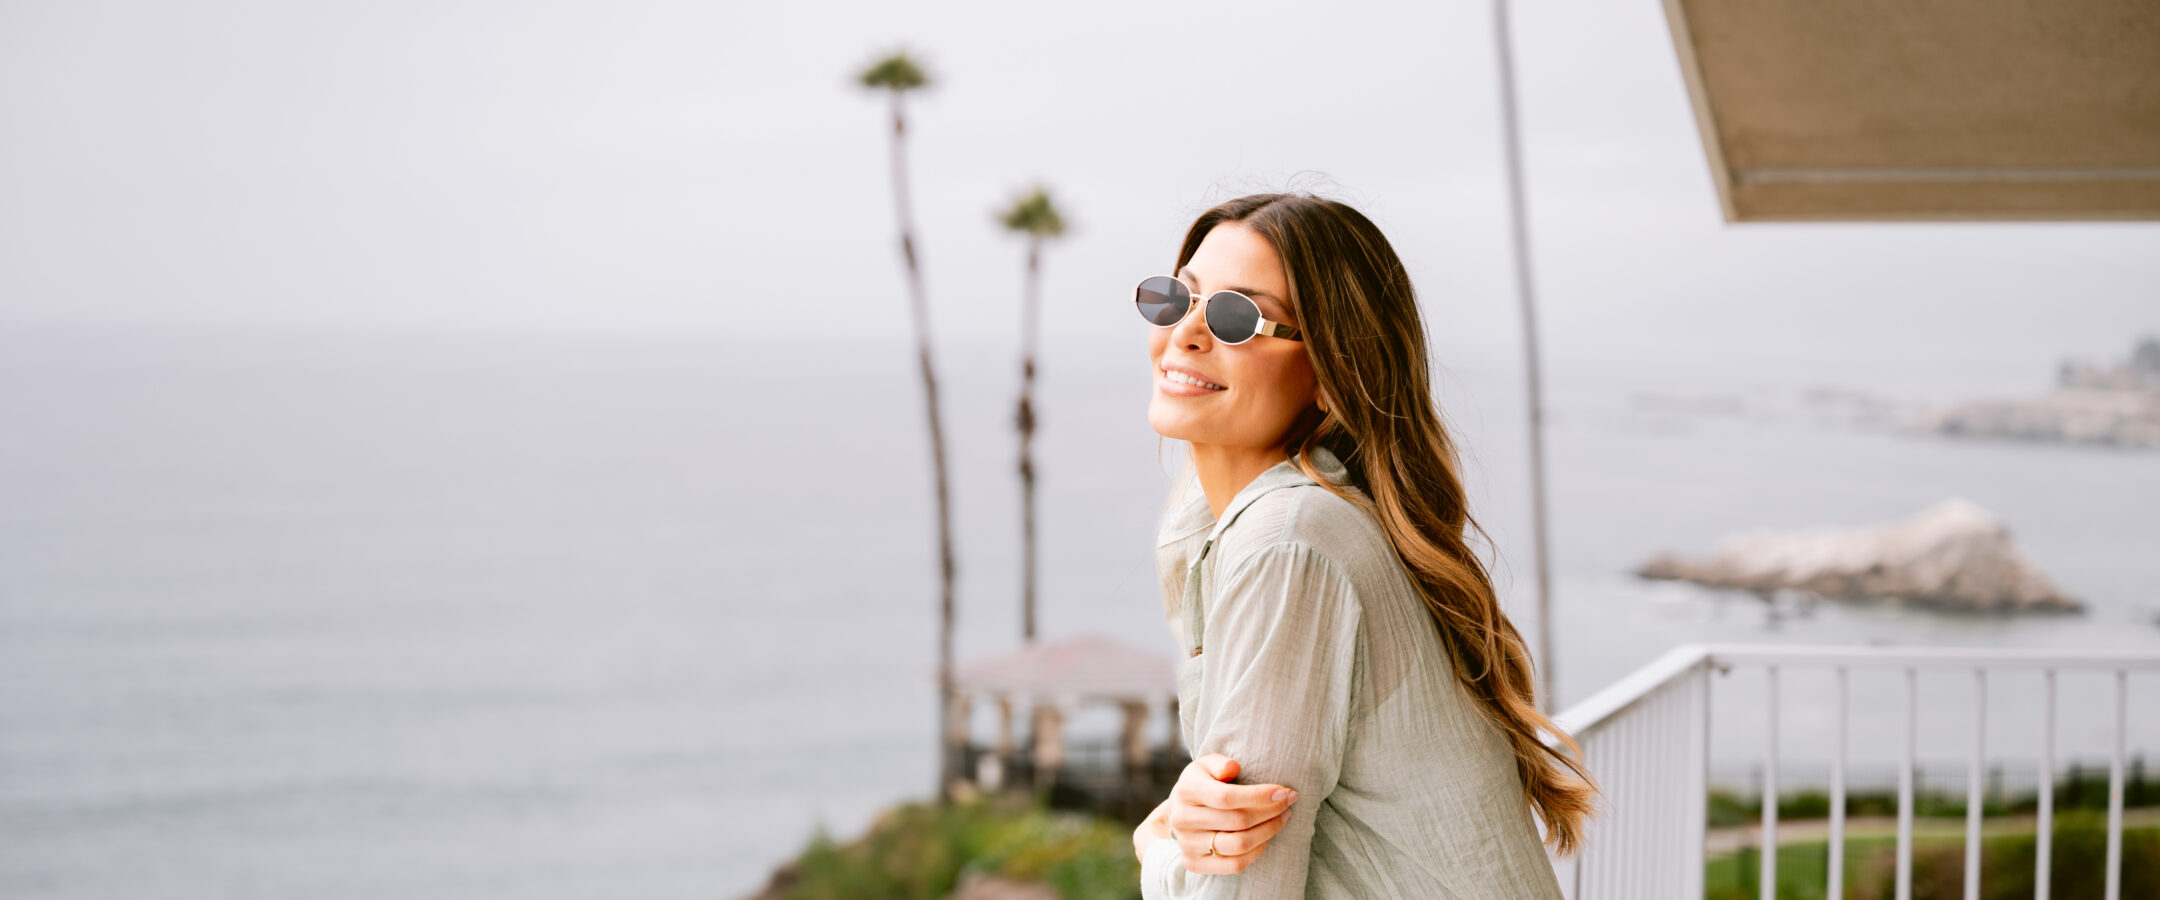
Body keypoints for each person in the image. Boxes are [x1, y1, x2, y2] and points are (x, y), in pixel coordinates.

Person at [1127, 193, 1595, 898]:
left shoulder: (1290, 539)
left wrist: (1158, 853)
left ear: (1328, 374)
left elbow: (1246, 885)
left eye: (1236, 317)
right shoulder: (1226, 518)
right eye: (1176, 299)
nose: (1186, 335)